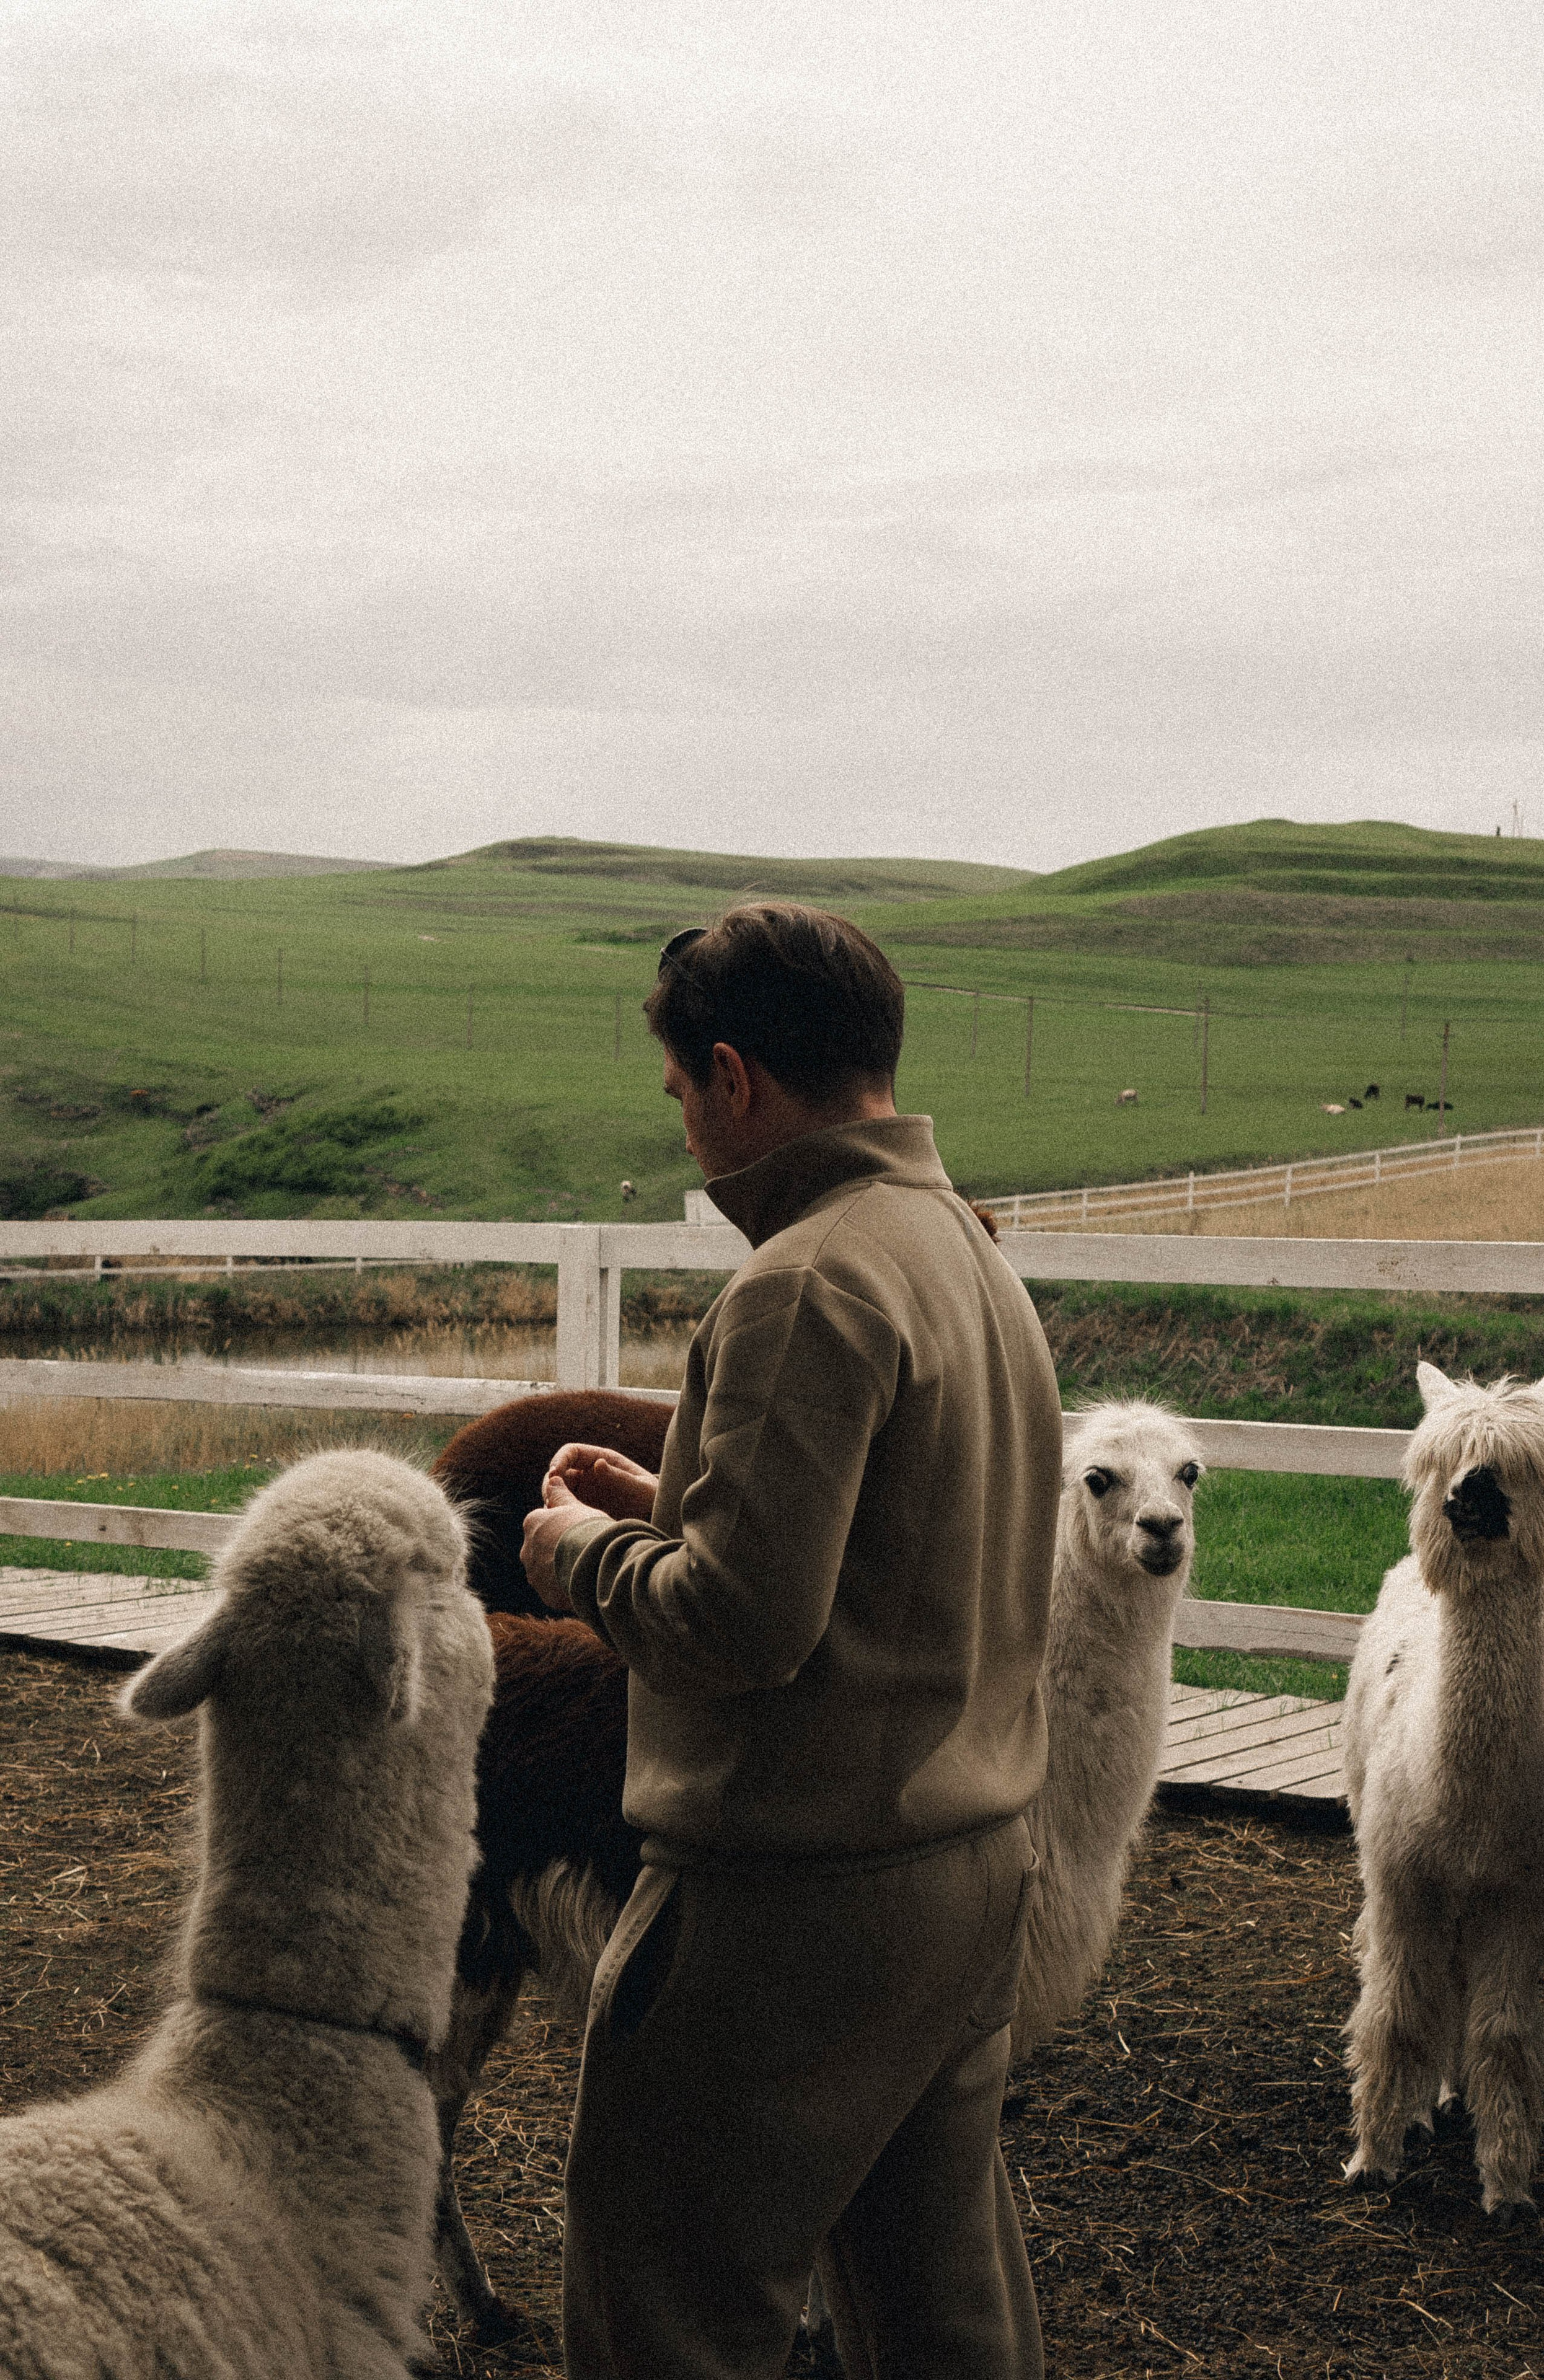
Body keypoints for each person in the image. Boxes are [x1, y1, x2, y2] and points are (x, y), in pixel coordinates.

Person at [521, 903, 1062, 2380]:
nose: (689, 1129)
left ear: (736, 1076)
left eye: (685, 1091)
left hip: (790, 1909)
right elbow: (900, 1531)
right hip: (962, 1873)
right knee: (937, 2315)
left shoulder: (807, 1277)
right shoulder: (959, 1247)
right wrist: (675, 1498)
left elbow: (737, 1627)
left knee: (674, 2310)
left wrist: (578, 1554)